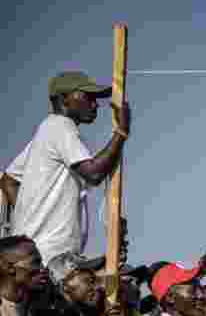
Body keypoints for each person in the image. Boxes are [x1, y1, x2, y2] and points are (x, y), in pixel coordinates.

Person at [1, 72, 130, 264]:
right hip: (50, 255)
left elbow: (8, 180)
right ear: (63, 99)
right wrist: (121, 131)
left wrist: (29, 218)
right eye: (88, 97)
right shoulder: (60, 126)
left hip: (41, 252)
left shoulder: (47, 132)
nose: (95, 105)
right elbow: (94, 173)